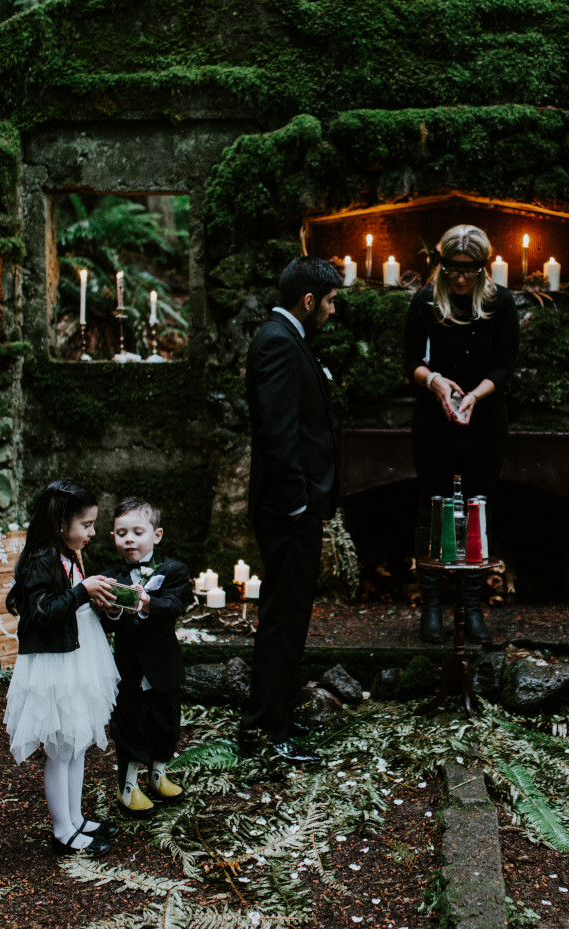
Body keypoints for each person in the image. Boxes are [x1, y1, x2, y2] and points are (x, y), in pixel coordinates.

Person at [240, 255, 341, 764]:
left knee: (289, 612)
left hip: (293, 506)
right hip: (287, 509)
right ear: (308, 300)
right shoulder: (279, 343)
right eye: (328, 301)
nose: (331, 310)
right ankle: (268, 730)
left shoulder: (288, 339)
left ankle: (271, 712)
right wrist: (300, 502)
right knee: (283, 615)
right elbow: (278, 434)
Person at [403, 224, 519, 645]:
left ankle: (472, 608)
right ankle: (432, 607)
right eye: (452, 268)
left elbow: (505, 364)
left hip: (484, 419)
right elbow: (410, 360)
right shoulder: (425, 302)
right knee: (431, 508)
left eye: (468, 270)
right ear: (441, 264)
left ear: (483, 268)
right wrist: (433, 381)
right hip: (434, 421)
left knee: (478, 509)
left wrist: (474, 395)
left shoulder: (500, 303)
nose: (460, 278)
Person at [3, 479, 122, 856]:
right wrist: (81, 592)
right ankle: (62, 830)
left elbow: (71, 603)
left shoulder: (69, 555)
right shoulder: (42, 559)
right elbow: (40, 615)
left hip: (78, 656)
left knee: (77, 744)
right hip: (55, 664)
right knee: (61, 749)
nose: (92, 532)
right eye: (86, 524)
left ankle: (76, 818)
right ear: (60, 524)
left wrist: (97, 600)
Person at [91, 496, 192, 818]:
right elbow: (106, 624)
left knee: (166, 722)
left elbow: (174, 606)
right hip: (128, 667)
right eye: (121, 533)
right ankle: (128, 785)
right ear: (113, 538)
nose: (129, 539)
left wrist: (146, 602)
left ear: (156, 535)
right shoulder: (108, 578)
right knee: (131, 725)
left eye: (137, 531)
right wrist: (107, 610)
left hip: (163, 664)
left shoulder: (174, 570)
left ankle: (159, 775)